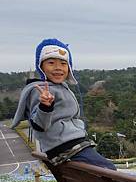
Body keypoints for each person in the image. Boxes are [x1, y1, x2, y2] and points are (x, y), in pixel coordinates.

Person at [11, 38, 116, 170]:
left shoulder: (60, 87)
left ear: (69, 67)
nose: (58, 68)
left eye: (63, 63)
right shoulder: (42, 91)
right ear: (40, 66)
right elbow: (39, 125)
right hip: (66, 146)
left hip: (73, 144)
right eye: (51, 62)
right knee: (108, 169)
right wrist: (45, 106)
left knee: (105, 169)